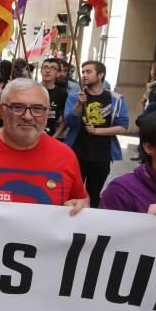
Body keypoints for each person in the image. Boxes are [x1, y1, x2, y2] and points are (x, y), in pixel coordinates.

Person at [0, 78, 88, 213]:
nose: (28, 116)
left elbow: (83, 200)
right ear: (3, 110)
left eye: (37, 108)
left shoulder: (66, 156)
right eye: (18, 107)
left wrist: (81, 205)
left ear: (47, 113)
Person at [64, 60, 129, 208]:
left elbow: (123, 126)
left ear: (100, 75)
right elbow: (69, 123)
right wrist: (78, 106)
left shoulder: (115, 99)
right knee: (74, 193)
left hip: (102, 155)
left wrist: (98, 131)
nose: (84, 75)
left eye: (89, 71)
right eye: (83, 71)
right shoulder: (75, 97)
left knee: (94, 194)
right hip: (77, 153)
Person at [40, 58, 67, 138]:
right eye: (45, 67)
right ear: (41, 71)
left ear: (58, 73)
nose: (48, 71)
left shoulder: (62, 94)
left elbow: (64, 121)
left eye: (52, 68)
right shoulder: (31, 89)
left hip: (51, 136)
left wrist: (55, 137)